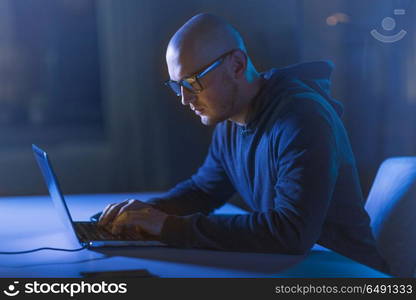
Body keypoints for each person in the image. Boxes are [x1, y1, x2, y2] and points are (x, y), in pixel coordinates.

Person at [98, 13, 389, 274]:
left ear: (237, 64)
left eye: (193, 82)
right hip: (298, 269)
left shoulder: (302, 118)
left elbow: (289, 233)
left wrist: (165, 227)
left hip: (348, 274)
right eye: (178, 86)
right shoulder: (230, 122)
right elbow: (202, 191)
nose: (185, 99)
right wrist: (141, 214)